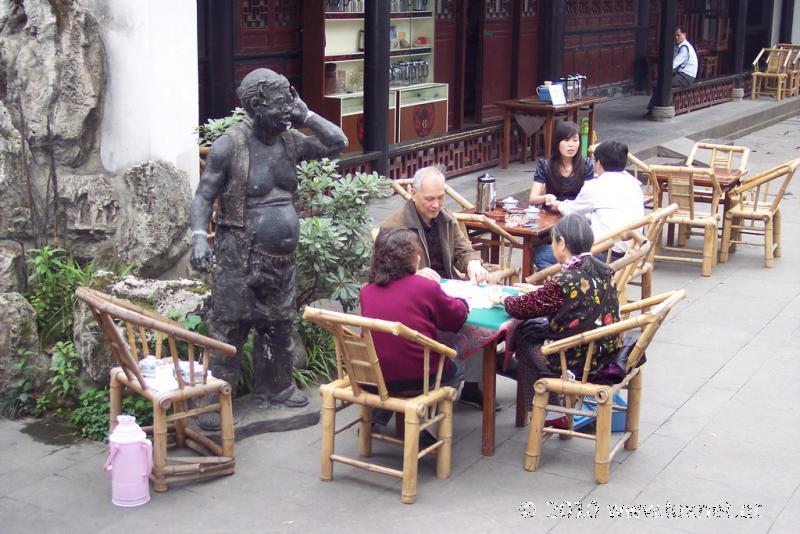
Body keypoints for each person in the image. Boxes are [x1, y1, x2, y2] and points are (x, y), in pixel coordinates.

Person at [190, 68, 348, 414]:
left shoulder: (290, 141)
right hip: (239, 256)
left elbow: (338, 142)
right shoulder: (229, 145)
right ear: (256, 105)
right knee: (229, 327)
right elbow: (204, 196)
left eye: (291, 102)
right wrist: (200, 237)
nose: (288, 111)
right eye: (282, 104)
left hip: (281, 259)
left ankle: (276, 389)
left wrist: (306, 114)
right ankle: (216, 401)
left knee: (279, 324)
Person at [379, 165, 492, 409]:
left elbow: (464, 250)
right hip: (416, 300)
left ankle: (473, 386)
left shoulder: (446, 219)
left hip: (444, 290)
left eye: (441, 197)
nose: (436, 204)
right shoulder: (394, 225)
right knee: (467, 323)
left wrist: (472, 263)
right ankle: (437, 397)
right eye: (430, 199)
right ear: (412, 192)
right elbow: (380, 272)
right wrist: (412, 274)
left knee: (481, 324)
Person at [491, 214, 621, 423]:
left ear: (561, 243)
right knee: (530, 339)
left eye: (553, 240)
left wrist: (500, 296)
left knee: (525, 342)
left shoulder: (564, 280)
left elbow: (518, 308)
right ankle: (553, 413)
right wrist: (539, 291)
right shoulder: (602, 269)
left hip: (580, 359)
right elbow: (576, 297)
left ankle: (550, 414)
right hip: (606, 351)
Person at [550, 140, 644, 259]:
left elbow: (572, 210)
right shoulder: (634, 183)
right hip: (631, 250)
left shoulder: (595, 186)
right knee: (586, 223)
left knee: (542, 254)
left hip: (606, 253)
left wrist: (558, 205)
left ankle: (575, 276)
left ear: (598, 163)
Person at [530, 120, 595, 269]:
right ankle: (561, 280)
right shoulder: (545, 165)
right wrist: (546, 197)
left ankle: (563, 280)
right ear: (557, 142)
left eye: (575, 140)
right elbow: (533, 199)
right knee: (535, 248)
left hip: (577, 217)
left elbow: (589, 198)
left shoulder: (586, 165)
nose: (571, 145)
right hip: (550, 218)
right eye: (566, 140)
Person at [644, 26, 698, 118]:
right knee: (657, 84)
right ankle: (655, 107)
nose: (676, 37)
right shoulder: (679, 46)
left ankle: (654, 109)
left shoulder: (684, 48)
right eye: (675, 36)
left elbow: (673, 64)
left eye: (678, 35)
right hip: (681, 75)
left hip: (686, 77)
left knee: (661, 84)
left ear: (684, 35)